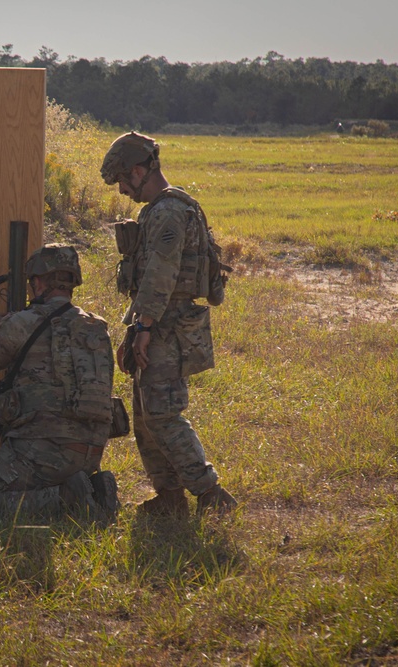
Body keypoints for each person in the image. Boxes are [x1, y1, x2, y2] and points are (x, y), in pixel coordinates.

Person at [101, 131, 237, 517]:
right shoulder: (160, 209)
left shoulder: (168, 212)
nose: (124, 190)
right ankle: (170, 495)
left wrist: (142, 330)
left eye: (125, 181)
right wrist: (136, 328)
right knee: (145, 416)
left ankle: (211, 494)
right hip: (155, 322)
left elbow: (161, 275)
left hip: (167, 326)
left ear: (141, 170)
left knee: (162, 412)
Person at [0, 244, 118, 518]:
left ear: (40, 280)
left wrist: (0, 328)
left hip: (43, 450)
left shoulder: (23, 322)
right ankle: (94, 487)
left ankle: (67, 498)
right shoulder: (95, 326)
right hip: (90, 450)